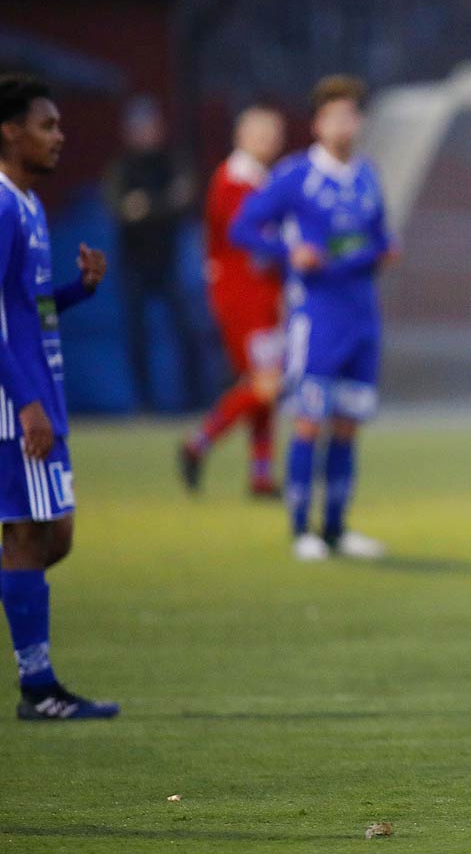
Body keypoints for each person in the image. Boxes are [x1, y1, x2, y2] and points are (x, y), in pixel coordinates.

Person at [231, 76, 391, 561]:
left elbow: (382, 237)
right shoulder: (297, 175)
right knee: (309, 420)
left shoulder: (366, 176)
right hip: (317, 317)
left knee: (348, 424)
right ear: (319, 123)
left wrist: (382, 252)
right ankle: (302, 531)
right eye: (335, 115)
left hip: (362, 315)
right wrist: (288, 251)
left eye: (351, 115)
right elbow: (242, 227)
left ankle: (337, 529)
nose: (345, 124)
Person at [0, 73, 117, 720]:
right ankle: (38, 689)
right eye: (46, 125)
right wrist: (24, 403)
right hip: (16, 397)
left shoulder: (31, 205)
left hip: (39, 388)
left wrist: (79, 291)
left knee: (55, 537)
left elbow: (27, 306)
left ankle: (38, 683)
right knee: (28, 535)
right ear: (9, 129)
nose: (59, 136)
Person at [181, 106, 288, 497]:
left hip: (264, 293)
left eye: (274, 133)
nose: (270, 141)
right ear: (242, 137)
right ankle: (198, 443)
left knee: (265, 384)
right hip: (242, 295)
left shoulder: (260, 179)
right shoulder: (233, 180)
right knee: (265, 384)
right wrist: (290, 247)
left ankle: (261, 475)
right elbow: (243, 236)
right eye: (262, 133)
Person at [102, 96, 207, 411]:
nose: (144, 133)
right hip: (133, 264)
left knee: (187, 332)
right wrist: (162, 203)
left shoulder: (172, 161)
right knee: (136, 338)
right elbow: (119, 208)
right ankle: (144, 405)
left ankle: (195, 401)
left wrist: (146, 206)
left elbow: (184, 199)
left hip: (169, 263)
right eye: (138, 127)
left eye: (149, 126)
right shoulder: (120, 167)